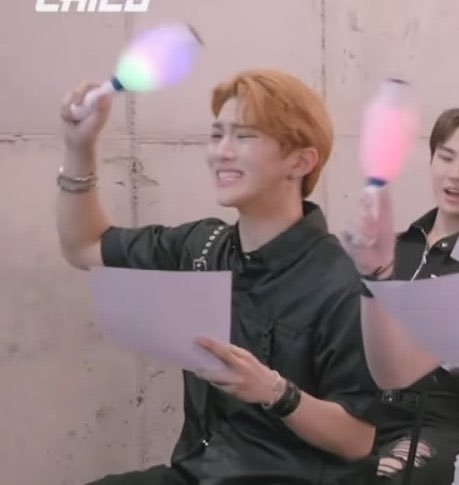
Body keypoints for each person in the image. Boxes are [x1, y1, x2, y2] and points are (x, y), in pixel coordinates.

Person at [58, 69, 380, 484]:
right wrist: (79, 146)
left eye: (244, 137)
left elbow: (357, 439)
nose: (221, 152)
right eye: (216, 135)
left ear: (301, 161)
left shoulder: (342, 283)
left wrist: (276, 392)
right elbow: (83, 246)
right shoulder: (201, 246)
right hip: (197, 471)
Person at [342, 108, 459, 484]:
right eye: (447, 157)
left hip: (436, 422)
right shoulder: (391, 249)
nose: (455, 174)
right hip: (361, 411)